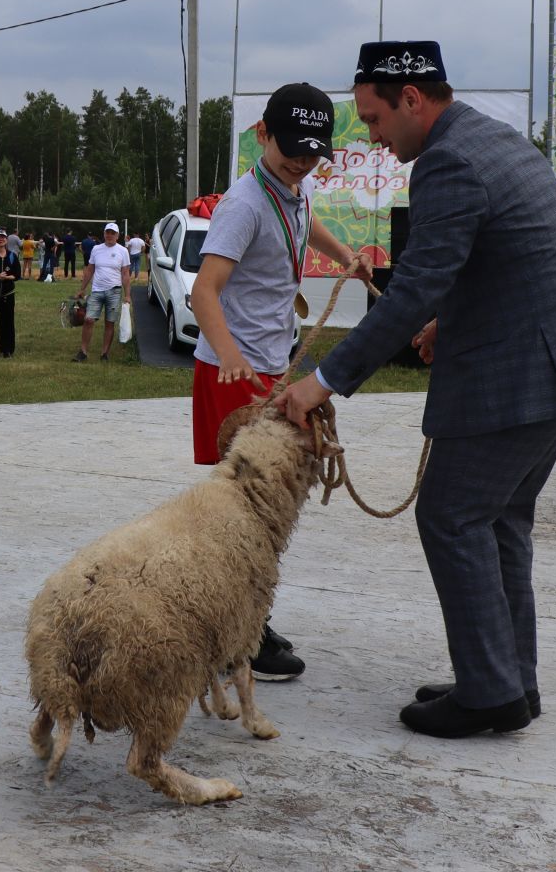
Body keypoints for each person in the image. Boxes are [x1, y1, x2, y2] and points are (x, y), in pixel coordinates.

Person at [280, 40, 556, 739]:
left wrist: (324, 381)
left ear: (412, 99)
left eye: (372, 119)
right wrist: (443, 321)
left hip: (515, 381)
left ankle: (490, 693)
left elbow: (412, 289)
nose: (371, 135)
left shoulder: (447, 164)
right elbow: (496, 261)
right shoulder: (496, 140)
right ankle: (510, 679)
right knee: (499, 522)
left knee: (453, 517)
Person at [189, 82, 373, 681]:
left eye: (313, 152)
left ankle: (239, 622)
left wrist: (345, 254)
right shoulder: (243, 205)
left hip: (272, 367)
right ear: (262, 134)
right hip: (235, 373)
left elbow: (306, 222)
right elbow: (204, 290)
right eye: (291, 147)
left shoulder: (292, 188)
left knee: (266, 507)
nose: (301, 160)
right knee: (245, 510)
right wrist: (230, 356)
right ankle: (238, 634)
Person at [72, 223, 131, 362]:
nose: (109, 235)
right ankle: (83, 352)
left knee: (110, 323)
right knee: (88, 320)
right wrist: (82, 289)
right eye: (107, 232)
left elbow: (125, 274)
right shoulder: (96, 249)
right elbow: (90, 270)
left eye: (112, 233)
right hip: (97, 290)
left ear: (117, 235)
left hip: (114, 292)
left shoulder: (123, 251)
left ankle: (104, 354)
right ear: (104, 234)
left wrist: (127, 295)